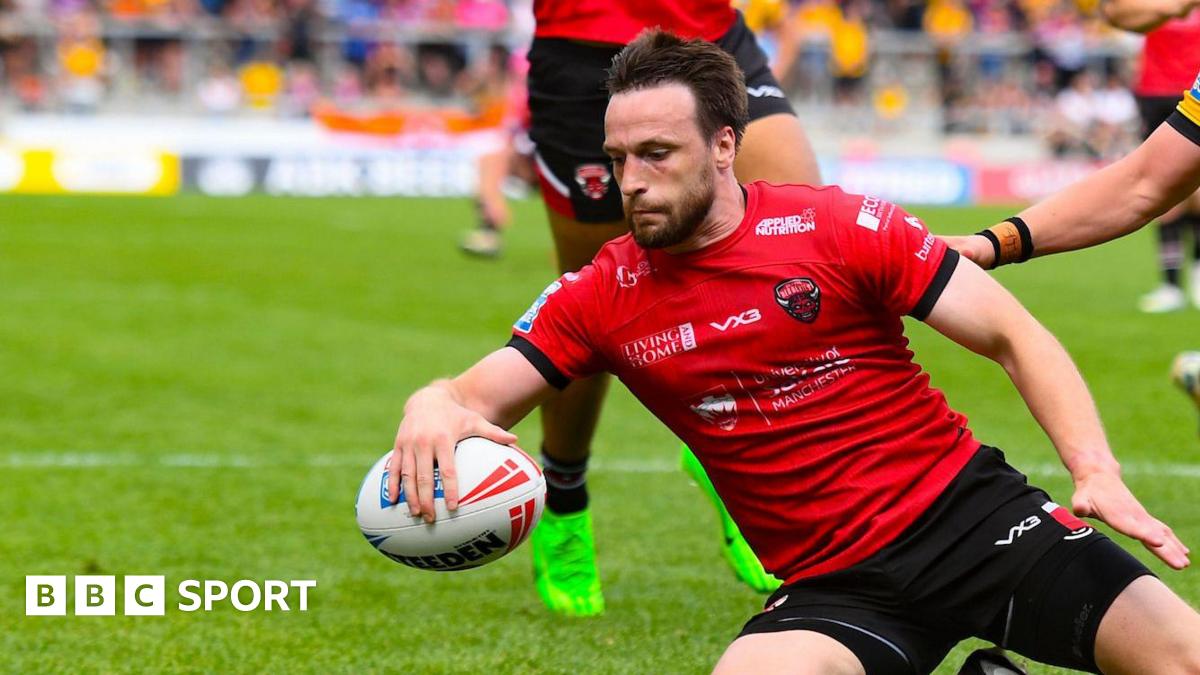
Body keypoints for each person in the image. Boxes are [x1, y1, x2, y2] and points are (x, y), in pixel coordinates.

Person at [390, 30, 1200, 673]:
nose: (629, 181)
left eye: (657, 155)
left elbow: (1013, 334)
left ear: (724, 146)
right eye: (617, 160)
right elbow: (470, 393)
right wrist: (431, 403)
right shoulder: (602, 292)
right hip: (832, 586)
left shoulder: (839, 225)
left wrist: (1093, 468)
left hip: (977, 522)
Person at [519, 0, 821, 615]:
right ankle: (566, 504)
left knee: (803, 239)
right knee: (586, 307)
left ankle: (738, 464)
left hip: (708, 36)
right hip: (584, 52)